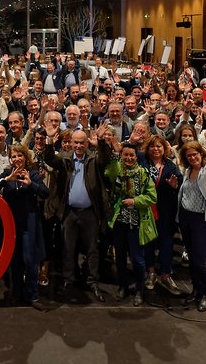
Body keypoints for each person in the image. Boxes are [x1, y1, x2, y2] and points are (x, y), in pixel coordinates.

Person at [43, 129, 111, 303]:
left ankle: (92, 281)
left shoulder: (94, 158)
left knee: (92, 250)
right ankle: (68, 281)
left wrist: (101, 142)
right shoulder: (65, 158)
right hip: (69, 213)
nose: (79, 146)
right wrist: (50, 140)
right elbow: (49, 159)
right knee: (68, 248)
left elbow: (106, 159)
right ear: (71, 143)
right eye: (76, 143)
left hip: (90, 212)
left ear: (87, 143)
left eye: (82, 143)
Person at [103, 141, 157, 306]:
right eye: (125, 155)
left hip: (136, 223)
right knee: (119, 257)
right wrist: (114, 155)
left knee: (137, 259)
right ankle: (123, 286)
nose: (128, 158)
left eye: (131, 155)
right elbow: (108, 173)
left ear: (136, 156)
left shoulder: (143, 173)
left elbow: (152, 196)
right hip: (119, 221)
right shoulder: (118, 169)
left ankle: (139, 290)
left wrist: (135, 201)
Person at [0, 144, 49, 308]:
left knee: (30, 259)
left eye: (20, 156)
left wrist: (30, 184)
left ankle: (33, 295)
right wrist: (6, 180)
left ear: (26, 158)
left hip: (29, 225)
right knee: (15, 260)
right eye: (14, 157)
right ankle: (16, 293)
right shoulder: (7, 173)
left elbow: (45, 193)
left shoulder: (32, 174)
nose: (17, 159)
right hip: (11, 225)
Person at [178, 137, 206, 311]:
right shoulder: (187, 171)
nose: (192, 158)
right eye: (188, 156)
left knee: (200, 260)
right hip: (185, 218)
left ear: (201, 154)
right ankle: (196, 290)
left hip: (201, 220)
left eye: (195, 154)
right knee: (191, 259)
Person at [141, 136, 183, 294]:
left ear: (164, 149)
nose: (156, 149)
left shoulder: (171, 166)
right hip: (146, 210)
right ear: (148, 148)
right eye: (152, 146)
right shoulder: (142, 162)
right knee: (148, 244)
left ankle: (166, 275)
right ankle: (151, 273)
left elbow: (179, 186)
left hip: (165, 212)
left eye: (159, 146)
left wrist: (174, 186)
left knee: (167, 245)